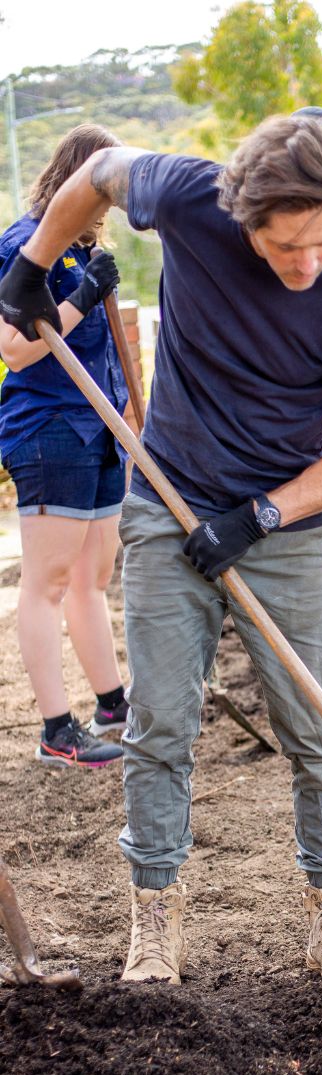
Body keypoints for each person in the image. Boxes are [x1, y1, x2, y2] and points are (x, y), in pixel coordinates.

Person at [0, 114, 322, 983]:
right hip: (168, 499)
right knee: (158, 723)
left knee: (319, 728)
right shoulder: (189, 196)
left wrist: (261, 515)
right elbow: (100, 170)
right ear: (242, 219)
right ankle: (155, 917)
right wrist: (34, 266)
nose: (307, 263)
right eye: (284, 245)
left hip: (289, 525)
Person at [0, 124, 130, 768]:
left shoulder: (82, 247)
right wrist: (81, 296)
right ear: (77, 181)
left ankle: (114, 706)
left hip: (102, 429)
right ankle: (56, 731)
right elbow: (16, 349)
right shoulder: (26, 247)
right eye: (101, 194)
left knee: (92, 578)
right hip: (51, 430)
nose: (107, 209)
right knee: (47, 583)